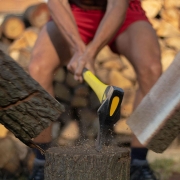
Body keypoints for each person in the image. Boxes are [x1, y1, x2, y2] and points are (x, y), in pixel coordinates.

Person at [28, 0, 162, 179]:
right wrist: (78, 48)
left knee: (151, 69)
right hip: (75, 13)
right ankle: (42, 164)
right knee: (38, 68)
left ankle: (138, 163)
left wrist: (89, 54)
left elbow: (117, 6)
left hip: (123, 13)